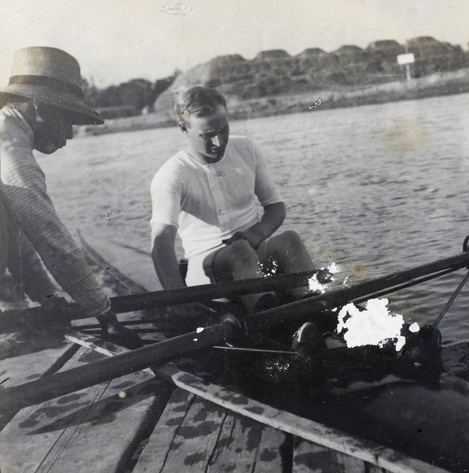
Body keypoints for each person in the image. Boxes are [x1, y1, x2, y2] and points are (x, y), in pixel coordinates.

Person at [0, 46, 143, 349]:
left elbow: (18, 242)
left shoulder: (9, 136)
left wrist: (49, 299)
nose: (69, 137)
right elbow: (52, 242)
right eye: (66, 119)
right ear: (38, 106)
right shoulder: (8, 151)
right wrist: (107, 317)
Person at [150, 86, 316, 315]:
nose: (218, 142)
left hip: (254, 256)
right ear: (184, 129)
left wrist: (257, 233)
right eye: (207, 135)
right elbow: (161, 242)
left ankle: (318, 310)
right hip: (208, 273)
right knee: (239, 251)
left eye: (223, 129)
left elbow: (275, 206)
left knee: (289, 240)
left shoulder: (246, 149)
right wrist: (178, 297)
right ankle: (277, 321)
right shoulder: (171, 175)